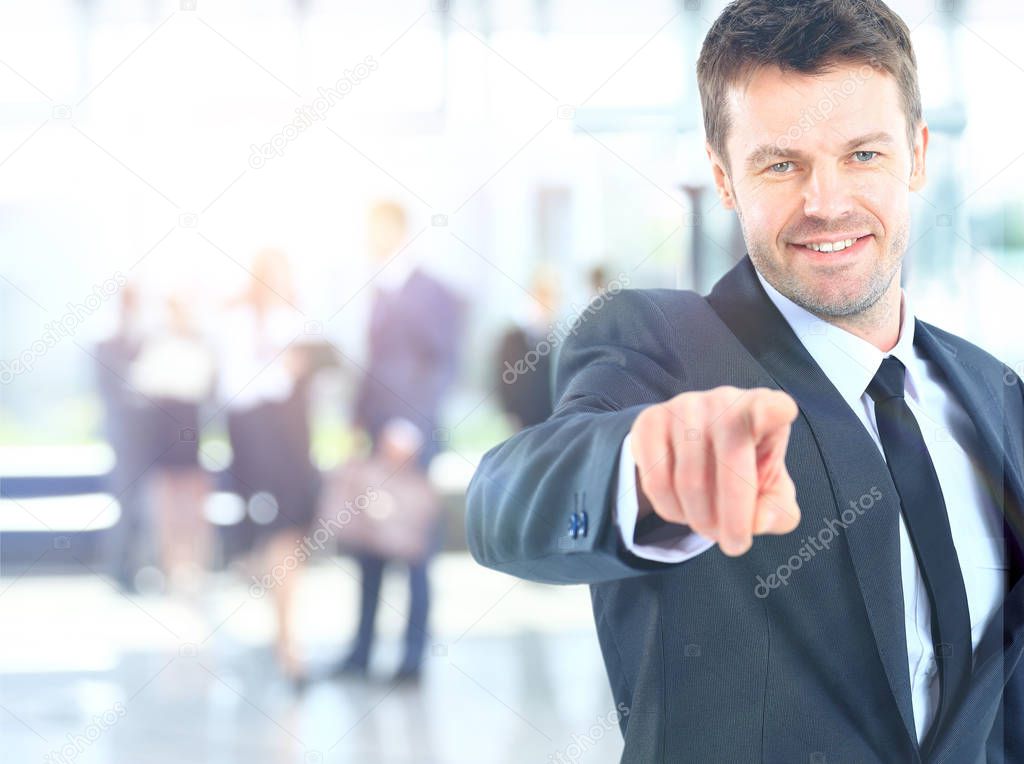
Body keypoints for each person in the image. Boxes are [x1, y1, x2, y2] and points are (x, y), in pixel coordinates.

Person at [466, 2, 1024, 761]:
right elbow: (507, 501)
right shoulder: (662, 347)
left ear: (917, 155)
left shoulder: (992, 390)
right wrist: (639, 471)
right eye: (781, 163)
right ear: (725, 178)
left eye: (863, 155)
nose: (826, 202)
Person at [329, 200, 462, 683]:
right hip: (373, 441)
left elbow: (441, 365)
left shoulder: (432, 292)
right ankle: (361, 652)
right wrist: (357, 423)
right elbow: (373, 364)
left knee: (413, 550)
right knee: (369, 546)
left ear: (398, 231)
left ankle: (411, 659)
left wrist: (409, 426)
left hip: (411, 441)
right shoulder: (379, 290)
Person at [219, 248, 320, 686]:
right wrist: (276, 367)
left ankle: (284, 632)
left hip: (295, 441)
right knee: (276, 537)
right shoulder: (238, 321)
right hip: (259, 443)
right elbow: (234, 390)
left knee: (289, 540)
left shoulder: (298, 318)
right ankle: (286, 641)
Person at [129, 292, 215, 596]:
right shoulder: (157, 345)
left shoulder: (199, 345)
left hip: (188, 425)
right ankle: (171, 569)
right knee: (166, 504)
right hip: (164, 426)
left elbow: (200, 383)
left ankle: (195, 568)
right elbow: (143, 382)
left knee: (192, 504)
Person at [495, 264, 561, 431]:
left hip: (550, 419)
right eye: (541, 297)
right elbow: (504, 380)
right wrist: (510, 414)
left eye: (550, 298)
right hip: (521, 420)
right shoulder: (512, 337)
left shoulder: (557, 339)